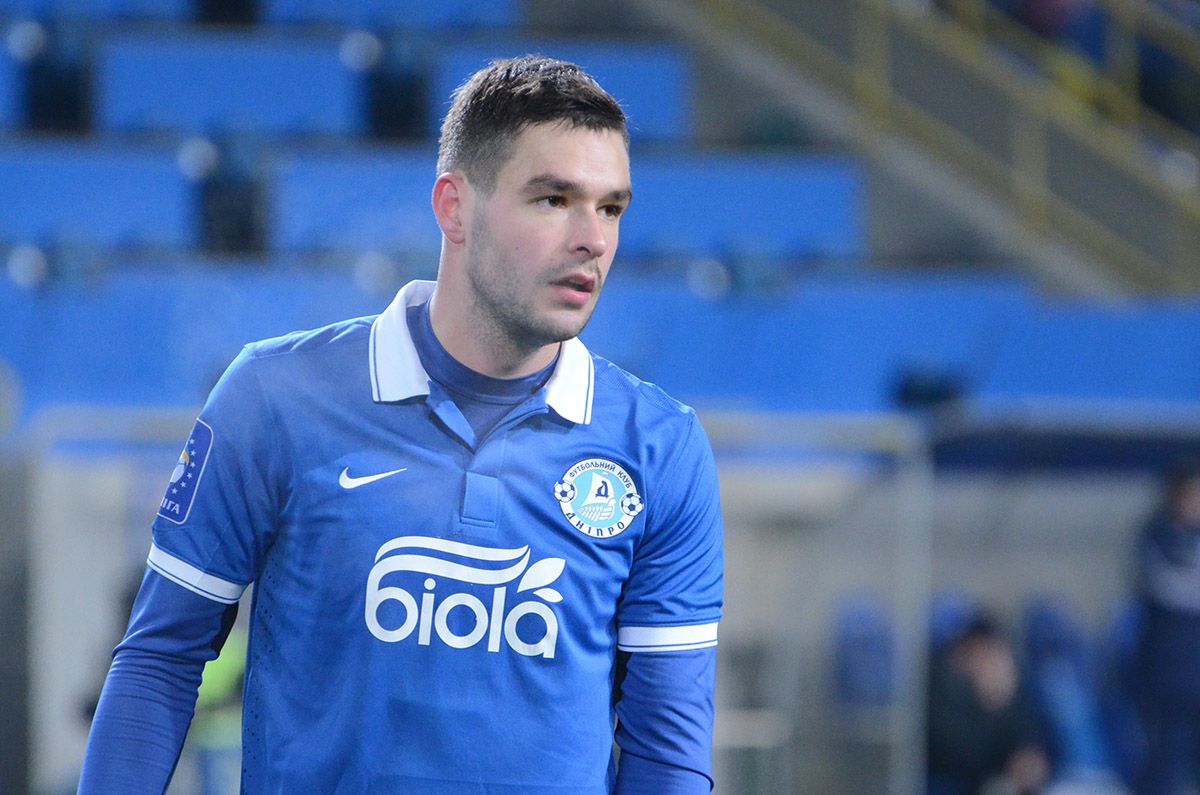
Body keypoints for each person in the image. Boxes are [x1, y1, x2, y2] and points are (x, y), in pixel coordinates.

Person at [78, 55, 724, 794]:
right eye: (553, 199)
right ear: (455, 207)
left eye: (611, 208)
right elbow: (160, 661)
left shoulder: (661, 447)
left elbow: (667, 749)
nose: (593, 239)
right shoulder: (275, 397)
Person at [927, 613, 1050, 795]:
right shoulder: (939, 686)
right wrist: (990, 704)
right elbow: (958, 754)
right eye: (983, 656)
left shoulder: (1010, 688)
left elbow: (1028, 739)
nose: (992, 665)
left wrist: (1027, 758)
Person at [1134, 460, 1200, 795]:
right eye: (1191, 496)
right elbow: (1169, 588)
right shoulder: (1156, 536)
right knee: (1168, 763)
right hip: (1168, 676)